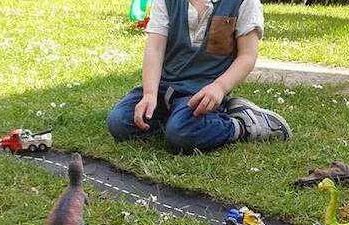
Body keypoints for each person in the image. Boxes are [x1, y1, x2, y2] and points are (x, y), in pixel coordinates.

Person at [107, 0, 291, 154]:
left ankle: (243, 124)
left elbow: (247, 56)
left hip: (202, 94)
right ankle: (177, 121)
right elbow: (155, 48)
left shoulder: (244, 2)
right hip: (164, 88)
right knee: (119, 122)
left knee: (181, 134)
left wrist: (219, 87)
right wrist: (149, 93)